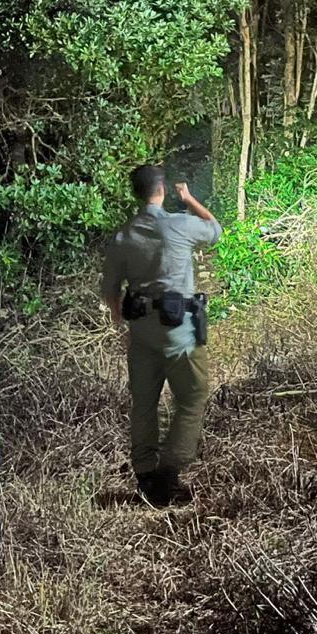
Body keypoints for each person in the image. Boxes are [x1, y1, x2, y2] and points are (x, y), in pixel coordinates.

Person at [101, 165, 222, 506]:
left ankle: (145, 473)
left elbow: (111, 291)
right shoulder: (178, 224)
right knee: (193, 397)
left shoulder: (123, 236)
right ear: (163, 190)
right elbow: (215, 230)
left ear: (135, 193)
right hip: (180, 333)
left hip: (141, 334)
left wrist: (121, 326)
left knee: (144, 405)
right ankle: (169, 473)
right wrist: (189, 199)